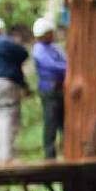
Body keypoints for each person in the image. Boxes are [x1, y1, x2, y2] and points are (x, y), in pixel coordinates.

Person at [0, 16, 30, 163]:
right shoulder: (2, 42)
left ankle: (1, 156)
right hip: (7, 83)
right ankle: (7, 157)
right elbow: (23, 53)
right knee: (10, 118)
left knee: (2, 118)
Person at [32, 17, 67, 159]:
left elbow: (65, 61)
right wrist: (69, 68)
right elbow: (52, 66)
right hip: (49, 90)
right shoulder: (39, 50)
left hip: (60, 89)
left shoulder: (55, 48)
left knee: (63, 122)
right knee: (50, 121)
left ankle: (66, 150)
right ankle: (50, 155)